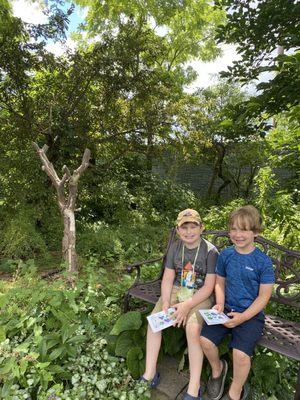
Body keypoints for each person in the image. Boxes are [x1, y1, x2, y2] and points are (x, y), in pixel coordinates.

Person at [140, 209, 219, 400]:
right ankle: (150, 374)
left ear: (202, 228)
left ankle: (194, 385)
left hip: (200, 295)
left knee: (192, 328)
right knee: (154, 322)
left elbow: (209, 287)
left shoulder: (210, 251)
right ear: (177, 230)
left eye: (194, 226)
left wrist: (186, 305)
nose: (189, 232)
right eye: (185, 227)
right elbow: (168, 277)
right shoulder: (175, 247)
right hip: (177, 290)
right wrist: (166, 301)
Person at [200, 205, 275, 400]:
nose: (237, 234)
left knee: (240, 355)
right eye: (234, 229)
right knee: (204, 340)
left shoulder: (263, 262)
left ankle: (235, 390)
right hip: (225, 309)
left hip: (250, 315)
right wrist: (219, 303)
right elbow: (220, 282)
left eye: (243, 229)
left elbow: (263, 297)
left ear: (255, 232)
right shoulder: (226, 255)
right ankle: (218, 371)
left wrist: (242, 318)